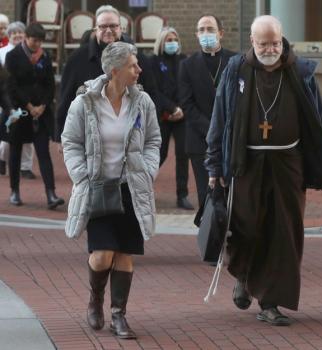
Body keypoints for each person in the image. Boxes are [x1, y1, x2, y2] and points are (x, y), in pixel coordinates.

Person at [206, 15, 322, 326]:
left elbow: (318, 120)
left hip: (287, 164)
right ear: (252, 42)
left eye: (275, 42)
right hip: (246, 163)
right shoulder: (236, 69)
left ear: (283, 40)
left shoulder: (300, 71)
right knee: (246, 227)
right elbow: (220, 117)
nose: (270, 48)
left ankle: (271, 302)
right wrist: (214, 164)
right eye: (264, 43)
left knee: (283, 233)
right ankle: (244, 274)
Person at [61, 41, 161, 339]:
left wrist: (148, 171)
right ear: (115, 70)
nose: (139, 70)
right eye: (133, 65)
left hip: (131, 188)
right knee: (103, 254)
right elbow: (71, 142)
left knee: (125, 254)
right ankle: (95, 299)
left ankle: (119, 315)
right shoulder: (85, 103)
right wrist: (82, 176)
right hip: (99, 189)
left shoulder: (142, 101)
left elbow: (154, 140)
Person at [55, 4, 156, 143]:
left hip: (128, 141)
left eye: (113, 26)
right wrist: (60, 136)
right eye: (103, 26)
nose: (108, 30)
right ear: (95, 29)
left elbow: (151, 95)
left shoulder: (138, 58)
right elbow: (65, 98)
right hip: (88, 140)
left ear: (121, 28)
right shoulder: (76, 60)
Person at [178, 14, 236, 210]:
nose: (206, 33)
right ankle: (210, 237)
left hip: (231, 139)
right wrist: (212, 130)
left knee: (231, 194)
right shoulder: (187, 65)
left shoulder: (235, 61)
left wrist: (225, 129)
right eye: (201, 30)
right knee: (207, 195)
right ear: (196, 34)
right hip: (199, 140)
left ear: (221, 33)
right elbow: (187, 104)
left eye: (210, 29)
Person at [4, 23, 64, 208]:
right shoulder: (13, 56)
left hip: (41, 112)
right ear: (26, 38)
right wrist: (29, 106)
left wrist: (43, 105)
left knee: (43, 152)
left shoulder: (44, 56)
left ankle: (51, 193)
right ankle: (15, 191)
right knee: (15, 152)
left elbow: (49, 84)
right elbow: (11, 85)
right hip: (19, 111)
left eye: (40, 41)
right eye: (34, 40)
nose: (37, 44)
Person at [150, 27, 190, 209]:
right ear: (161, 42)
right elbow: (154, 90)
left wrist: (180, 109)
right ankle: (142, 189)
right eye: (168, 40)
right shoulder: (154, 62)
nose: (172, 43)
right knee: (160, 153)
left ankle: (182, 195)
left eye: (174, 39)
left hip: (182, 115)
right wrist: (171, 108)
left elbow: (188, 88)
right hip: (163, 114)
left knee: (183, 154)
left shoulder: (184, 61)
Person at [0, 21, 36, 179]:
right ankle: (2, 160)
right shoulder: (1, 52)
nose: (17, 35)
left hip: (26, 100)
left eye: (20, 33)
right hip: (6, 100)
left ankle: (26, 167)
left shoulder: (31, 53)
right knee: (6, 135)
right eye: (14, 33)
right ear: (9, 36)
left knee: (28, 138)